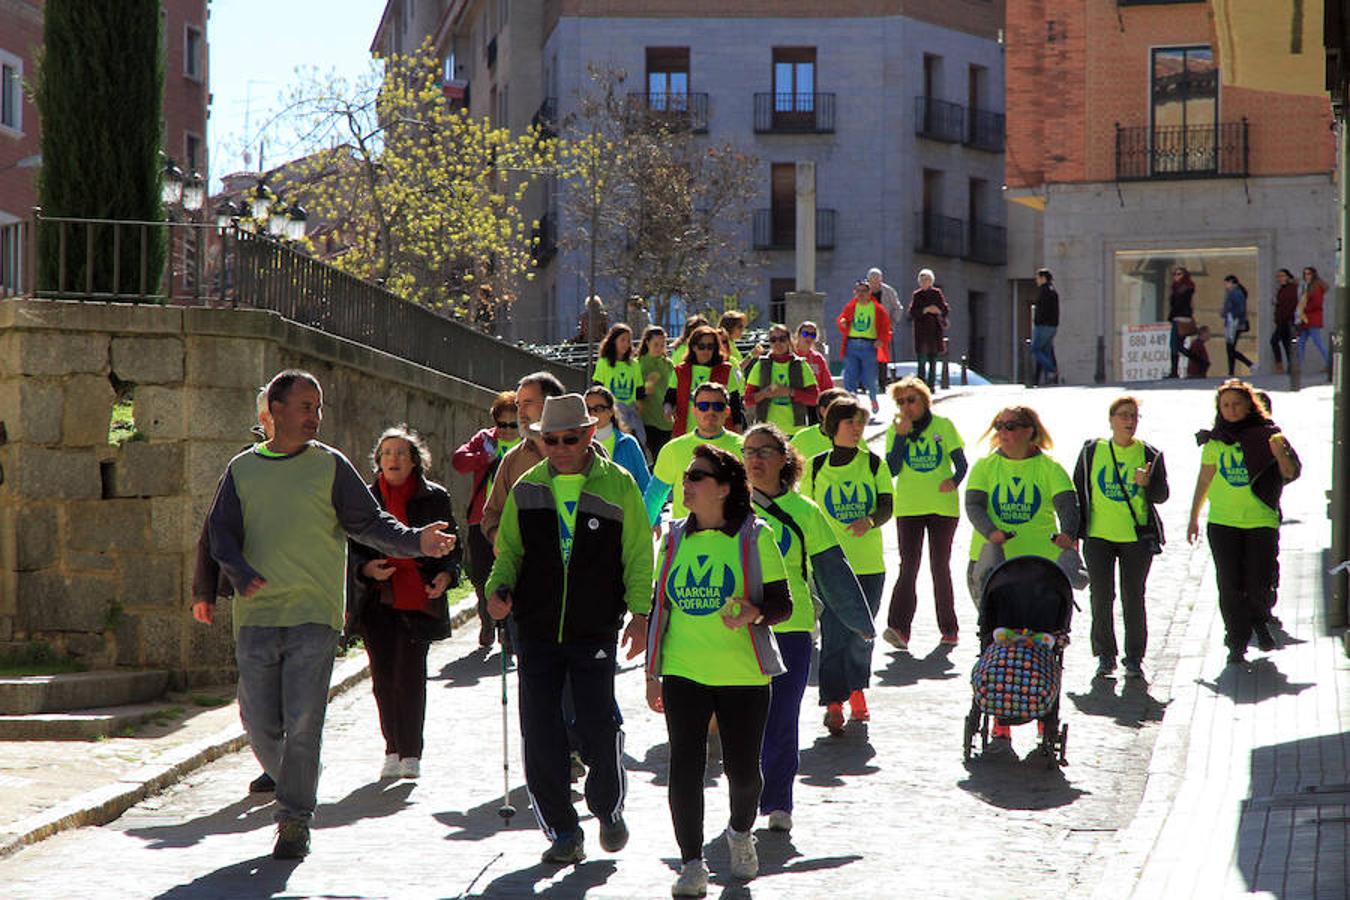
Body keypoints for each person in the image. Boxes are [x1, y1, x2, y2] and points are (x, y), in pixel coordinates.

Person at [202, 370, 457, 860]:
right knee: (258, 722)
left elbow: (370, 523)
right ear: (275, 410)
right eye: (306, 407)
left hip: (315, 615)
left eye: (319, 408)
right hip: (257, 617)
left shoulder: (331, 466)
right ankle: (299, 776)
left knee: (304, 722)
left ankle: (294, 819)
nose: (315, 416)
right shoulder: (242, 469)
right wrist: (238, 572)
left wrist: (417, 541)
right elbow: (219, 534)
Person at [486, 393, 653, 865]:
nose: (560, 447)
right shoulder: (527, 488)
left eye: (570, 438)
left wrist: (641, 614)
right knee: (540, 732)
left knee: (598, 725)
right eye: (551, 439)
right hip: (534, 630)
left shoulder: (619, 484)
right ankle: (563, 831)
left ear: (588, 434)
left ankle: (608, 807)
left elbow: (638, 553)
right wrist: (496, 591)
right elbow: (509, 553)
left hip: (594, 628)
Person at [644, 444, 791, 895]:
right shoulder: (672, 538)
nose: (686, 483)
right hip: (684, 670)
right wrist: (652, 673)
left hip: (742, 674)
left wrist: (754, 612)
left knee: (744, 774)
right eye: (686, 476)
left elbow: (782, 605)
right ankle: (692, 864)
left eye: (697, 476)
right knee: (684, 768)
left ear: (724, 488)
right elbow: (661, 607)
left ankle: (740, 832)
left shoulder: (755, 536)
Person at [744, 424, 872, 834]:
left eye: (765, 451)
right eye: (749, 451)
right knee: (744, 721)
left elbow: (832, 569)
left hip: (792, 625)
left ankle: (778, 801)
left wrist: (858, 621)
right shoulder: (730, 508)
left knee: (782, 715)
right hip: (737, 628)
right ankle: (744, 798)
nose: (755, 459)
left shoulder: (805, 511)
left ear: (784, 458)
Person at [348, 426, 462, 780]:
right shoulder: (364, 500)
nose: (393, 459)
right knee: (383, 678)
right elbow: (349, 548)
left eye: (401, 453)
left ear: (415, 461)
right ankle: (392, 748)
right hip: (377, 599)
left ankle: (411, 752)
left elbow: (452, 546)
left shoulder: (435, 498)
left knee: (410, 677)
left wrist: (446, 576)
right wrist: (366, 568)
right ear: (378, 461)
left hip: (418, 599)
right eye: (386, 453)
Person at [964, 405, 1078, 752]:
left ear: (1030, 430)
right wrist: (991, 532)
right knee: (997, 637)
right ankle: (1000, 718)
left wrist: (1068, 534)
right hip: (995, 568)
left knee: (1043, 639)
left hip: (1041, 570)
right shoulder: (986, 467)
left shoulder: (1049, 468)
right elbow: (974, 505)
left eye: (1012, 426)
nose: (1004, 431)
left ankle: (1044, 711)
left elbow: (1068, 506)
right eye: (999, 425)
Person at [192, 386, 275, 795]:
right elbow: (215, 529)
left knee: (297, 689)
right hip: (253, 593)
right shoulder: (242, 466)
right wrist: (204, 590)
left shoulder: (319, 464)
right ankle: (274, 762)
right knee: (256, 690)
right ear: (264, 420)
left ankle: (292, 766)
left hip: (306, 594)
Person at [1187, 380, 1301, 666]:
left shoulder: (1269, 436)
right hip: (1223, 522)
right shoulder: (1215, 441)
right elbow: (1204, 479)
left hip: (1260, 521)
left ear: (1250, 405)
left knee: (1259, 581)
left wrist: (1280, 455)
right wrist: (1193, 517)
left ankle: (1259, 620)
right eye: (1225, 405)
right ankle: (1236, 641)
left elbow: (1289, 473)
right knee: (1229, 584)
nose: (1231, 409)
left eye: (1237, 404)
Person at [800, 396, 893, 734]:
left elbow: (887, 505)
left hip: (868, 564)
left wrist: (870, 520)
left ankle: (857, 691)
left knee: (862, 633)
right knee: (834, 633)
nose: (857, 429)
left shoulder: (874, 464)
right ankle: (833, 703)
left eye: (860, 423)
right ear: (833, 426)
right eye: (850, 422)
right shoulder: (815, 467)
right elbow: (806, 514)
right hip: (829, 565)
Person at [1072, 396, 1170, 679]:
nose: (1129, 421)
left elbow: (1162, 495)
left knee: (1133, 596)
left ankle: (1134, 657)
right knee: (1101, 596)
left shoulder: (1149, 453)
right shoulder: (1092, 451)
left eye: (1134, 416)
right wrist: (1075, 533)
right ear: (1111, 420)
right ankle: (1105, 655)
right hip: (1098, 536)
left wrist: (1147, 484)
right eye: (1123, 415)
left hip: (1136, 538)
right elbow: (1079, 492)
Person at [882, 376, 967, 649]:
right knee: (908, 566)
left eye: (911, 400)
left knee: (940, 566)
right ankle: (898, 629)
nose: (906, 406)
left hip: (943, 507)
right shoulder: (895, 430)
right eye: (900, 402)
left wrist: (953, 481)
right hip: (909, 506)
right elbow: (892, 469)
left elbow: (961, 464)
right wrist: (901, 436)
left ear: (924, 400)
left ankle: (949, 629)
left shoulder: (943, 425)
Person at [452, 391, 521, 646]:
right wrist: (484, 458)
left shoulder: (529, 444)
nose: (507, 430)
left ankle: (507, 630)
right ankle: (487, 621)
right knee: (481, 576)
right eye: (502, 424)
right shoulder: (485, 440)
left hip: (514, 520)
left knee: (511, 573)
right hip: (481, 520)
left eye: (513, 425)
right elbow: (459, 461)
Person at [481, 372, 567, 546]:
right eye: (518, 404)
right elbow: (492, 514)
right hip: (529, 559)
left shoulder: (587, 451)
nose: (520, 413)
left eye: (527, 403)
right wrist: (498, 539)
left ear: (552, 404)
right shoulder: (512, 460)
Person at [646, 382, 745, 525]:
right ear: (694, 411)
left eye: (718, 406)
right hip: (686, 534)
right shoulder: (673, 449)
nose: (710, 411)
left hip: (734, 533)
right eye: (703, 406)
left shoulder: (745, 447)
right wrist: (646, 528)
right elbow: (654, 497)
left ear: (727, 411)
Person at [665, 324, 744, 437]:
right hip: (686, 433)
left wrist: (738, 428)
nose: (706, 350)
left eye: (710, 346)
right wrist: (668, 409)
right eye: (701, 346)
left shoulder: (727, 370)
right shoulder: (680, 371)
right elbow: (670, 397)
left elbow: (735, 403)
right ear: (693, 347)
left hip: (719, 434)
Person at [743, 323, 820, 435]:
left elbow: (814, 398)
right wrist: (764, 393)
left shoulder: (801, 365)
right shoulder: (761, 365)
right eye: (773, 340)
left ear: (789, 341)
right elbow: (747, 400)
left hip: (796, 432)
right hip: (767, 432)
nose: (777, 343)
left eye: (782, 339)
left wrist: (790, 392)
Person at [836, 279, 892, 415]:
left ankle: (873, 398)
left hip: (869, 346)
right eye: (858, 291)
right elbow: (842, 319)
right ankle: (851, 404)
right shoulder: (851, 306)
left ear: (869, 292)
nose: (861, 294)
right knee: (850, 376)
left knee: (869, 377)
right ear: (854, 292)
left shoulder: (877, 309)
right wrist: (842, 322)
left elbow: (886, 328)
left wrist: (881, 340)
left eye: (864, 291)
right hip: (852, 345)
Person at [585, 385, 651, 494]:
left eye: (599, 408)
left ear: (611, 411)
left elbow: (645, 485)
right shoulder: (579, 445)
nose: (592, 414)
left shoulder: (629, 443)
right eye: (587, 409)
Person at [594, 324, 647, 452]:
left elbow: (639, 392)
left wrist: (638, 409)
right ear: (613, 341)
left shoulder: (634, 365)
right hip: (612, 411)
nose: (626, 344)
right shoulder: (604, 363)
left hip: (631, 412)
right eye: (622, 340)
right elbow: (597, 388)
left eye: (628, 341)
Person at [908, 268, 950, 392]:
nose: (924, 282)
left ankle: (931, 386)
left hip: (935, 332)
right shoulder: (917, 295)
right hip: (921, 333)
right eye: (922, 280)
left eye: (926, 280)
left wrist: (937, 311)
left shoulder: (937, 293)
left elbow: (945, 309)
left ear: (931, 281)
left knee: (933, 360)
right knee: (921, 361)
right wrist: (925, 310)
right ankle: (921, 386)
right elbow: (912, 312)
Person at [638, 325, 676, 456]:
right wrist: (646, 387)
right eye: (655, 344)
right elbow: (635, 391)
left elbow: (674, 389)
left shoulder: (668, 364)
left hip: (666, 419)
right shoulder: (639, 364)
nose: (659, 348)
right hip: (646, 419)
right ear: (647, 342)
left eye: (662, 345)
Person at [789, 387, 850, 466]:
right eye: (841, 410)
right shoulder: (802, 438)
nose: (847, 414)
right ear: (823, 411)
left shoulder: (854, 437)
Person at [868, 267, 904, 388]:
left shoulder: (888, 292)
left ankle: (882, 383)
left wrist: (892, 323)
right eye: (872, 281)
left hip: (883, 328)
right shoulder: (864, 291)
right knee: (866, 356)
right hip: (867, 328)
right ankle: (865, 383)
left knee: (882, 357)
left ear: (881, 280)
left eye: (876, 281)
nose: (874, 284)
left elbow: (898, 308)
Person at [1298, 266, 1331, 377]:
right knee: (1301, 342)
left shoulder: (1316, 287)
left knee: (1317, 341)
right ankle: (1298, 366)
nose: (1306, 276)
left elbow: (1316, 304)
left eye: (1309, 274)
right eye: (1305, 274)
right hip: (1307, 318)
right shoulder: (1309, 286)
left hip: (1312, 318)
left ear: (1313, 275)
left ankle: (1330, 362)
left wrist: (1304, 309)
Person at [793, 320, 834, 404]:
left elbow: (827, 385)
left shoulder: (817, 358)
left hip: (814, 402)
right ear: (798, 335)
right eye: (805, 334)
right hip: (795, 401)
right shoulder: (791, 355)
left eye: (813, 335)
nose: (809, 337)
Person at [1166, 266, 1197, 379]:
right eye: (1174, 274)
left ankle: (1196, 361)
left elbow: (1178, 305)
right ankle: (1175, 370)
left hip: (1180, 319)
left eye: (1179, 274)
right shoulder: (1178, 287)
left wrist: (1171, 316)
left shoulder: (1184, 288)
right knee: (1177, 345)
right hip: (1180, 318)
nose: (1176, 276)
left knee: (1175, 345)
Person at [1221, 275, 1255, 377]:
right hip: (1233, 323)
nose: (1226, 286)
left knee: (1230, 348)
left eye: (1227, 283)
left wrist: (1230, 315)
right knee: (1230, 348)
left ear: (1232, 283)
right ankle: (1232, 371)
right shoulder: (1232, 293)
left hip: (1235, 324)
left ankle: (1249, 364)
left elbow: (1240, 309)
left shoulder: (1236, 293)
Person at [1032, 268, 1059, 385]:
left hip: (1043, 326)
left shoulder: (1044, 291)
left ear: (1043, 278)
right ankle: (1047, 378)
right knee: (1046, 352)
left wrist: (1037, 321)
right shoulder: (1052, 291)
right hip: (1052, 326)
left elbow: (1042, 310)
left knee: (1035, 349)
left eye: (1038, 278)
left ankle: (1052, 370)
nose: (1036, 280)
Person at [1269, 269, 1299, 375]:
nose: (1280, 278)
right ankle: (1290, 366)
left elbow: (1290, 305)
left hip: (1287, 320)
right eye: (1278, 276)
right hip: (1282, 321)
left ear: (1288, 277)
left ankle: (1280, 365)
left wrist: (1284, 318)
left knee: (1274, 341)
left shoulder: (1291, 289)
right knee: (1286, 344)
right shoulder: (1282, 289)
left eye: (1282, 276)